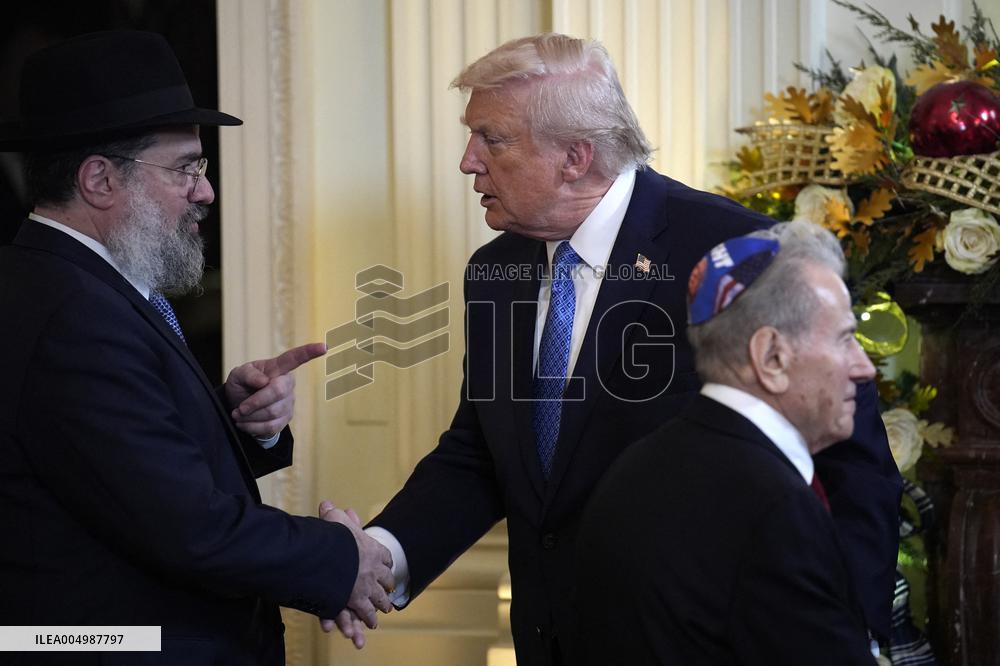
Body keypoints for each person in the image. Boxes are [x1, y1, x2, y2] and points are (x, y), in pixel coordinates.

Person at [333, 33, 900, 664]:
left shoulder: (736, 253)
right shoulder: (493, 271)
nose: (468, 161)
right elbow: (481, 454)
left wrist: (851, 638)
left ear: (575, 156)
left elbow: (852, 463)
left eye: (490, 138)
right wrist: (380, 554)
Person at [0, 31, 392, 665]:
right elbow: (186, 528)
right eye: (186, 167)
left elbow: (112, 469)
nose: (205, 191)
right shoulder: (74, 315)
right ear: (99, 178)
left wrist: (230, 419)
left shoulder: (75, 285)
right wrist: (343, 558)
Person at [574, 220, 879, 665]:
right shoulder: (774, 505)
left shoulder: (637, 465)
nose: (864, 367)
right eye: (846, 339)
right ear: (771, 356)